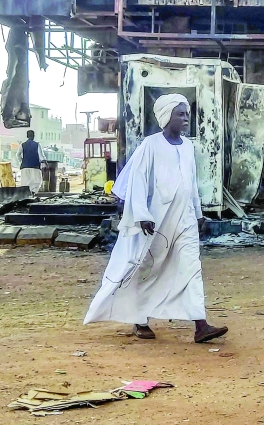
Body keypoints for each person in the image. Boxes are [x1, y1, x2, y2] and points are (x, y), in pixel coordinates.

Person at [84, 94, 227, 344]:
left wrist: (198, 214)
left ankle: (201, 325)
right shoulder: (150, 145)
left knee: (192, 268)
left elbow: (190, 184)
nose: (185, 119)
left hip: (184, 221)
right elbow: (137, 180)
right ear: (166, 117)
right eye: (180, 114)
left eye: (187, 114)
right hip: (156, 221)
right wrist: (142, 215)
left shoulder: (188, 146)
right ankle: (140, 319)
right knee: (145, 267)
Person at [16, 130, 46, 194]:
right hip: (35, 167)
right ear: (34, 136)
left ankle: (26, 196)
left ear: (27, 136)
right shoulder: (37, 144)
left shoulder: (22, 145)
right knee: (36, 182)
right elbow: (41, 156)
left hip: (25, 167)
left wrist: (22, 161)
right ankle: (33, 194)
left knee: (25, 182)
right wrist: (45, 162)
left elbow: (17, 155)